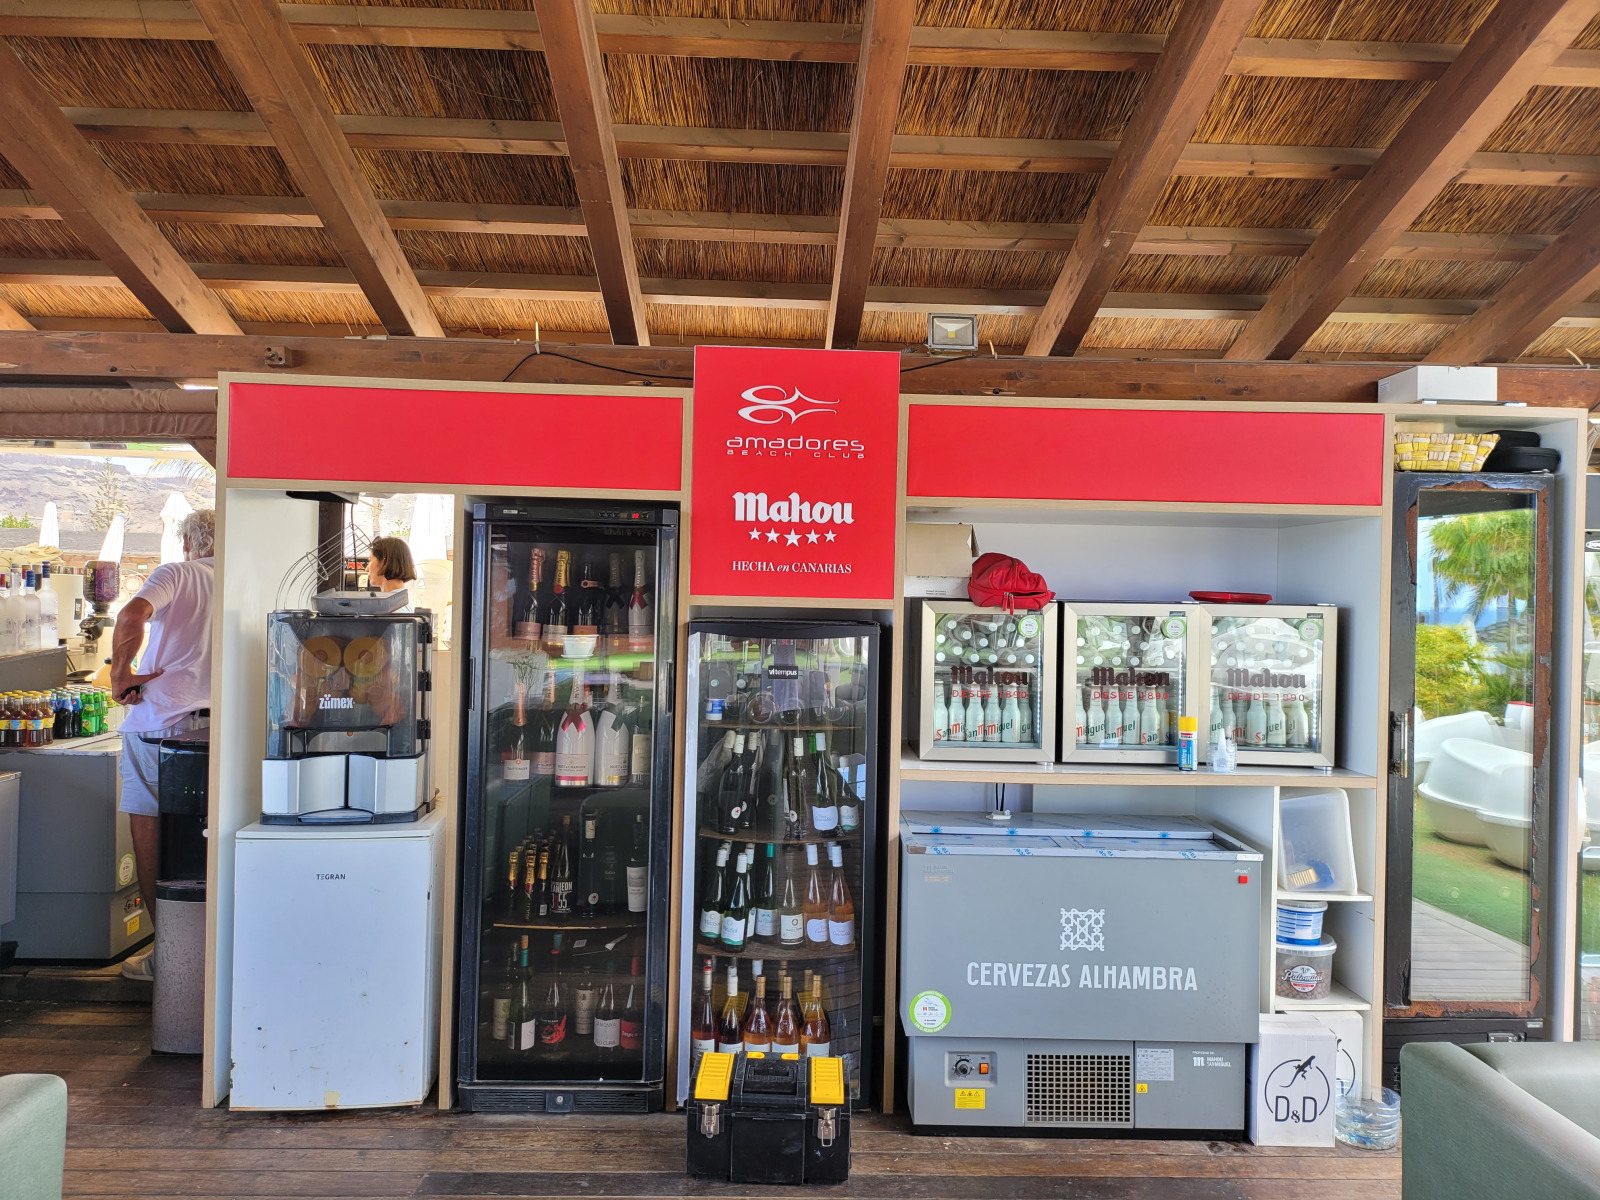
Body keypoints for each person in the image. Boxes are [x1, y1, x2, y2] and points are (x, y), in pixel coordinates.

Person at [110, 509, 215, 981]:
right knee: (207, 837)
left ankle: (169, 957)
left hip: (161, 724)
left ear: (189, 543)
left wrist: (121, 674)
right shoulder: (244, 577)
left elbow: (131, 614)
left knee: (149, 826)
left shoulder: (178, 573)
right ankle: (210, 955)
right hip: (221, 726)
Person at [366, 536, 417, 610]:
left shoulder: (391, 610)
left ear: (384, 563)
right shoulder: (404, 603)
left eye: (370, 560)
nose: (366, 569)